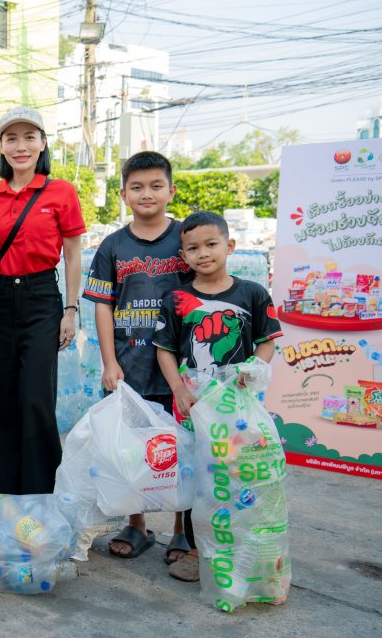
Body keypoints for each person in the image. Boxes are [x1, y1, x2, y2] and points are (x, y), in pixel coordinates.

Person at [153, 210, 282, 582]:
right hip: (195, 408)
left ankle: (245, 548)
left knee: (242, 477)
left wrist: (251, 372)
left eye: (211, 245)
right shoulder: (176, 298)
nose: (202, 254)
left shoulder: (252, 293)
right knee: (200, 482)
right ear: (183, 255)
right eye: (192, 248)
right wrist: (178, 389)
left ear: (230, 246)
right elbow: (164, 349)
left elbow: (266, 342)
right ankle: (198, 552)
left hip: (239, 410)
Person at [0, 106, 85, 497]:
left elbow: (73, 254)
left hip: (41, 299)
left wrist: (70, 310)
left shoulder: (61, 192)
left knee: (35, 398)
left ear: (43, 143)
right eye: (11, 138)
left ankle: (40, 495)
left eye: (29, 137)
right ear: (0, 145)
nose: (21, 146)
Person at [82, 151, 194, 561]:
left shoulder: (187, 237)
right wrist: (110, 363)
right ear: (124, 193)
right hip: (129, 367)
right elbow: (102, 305)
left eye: (156, 185)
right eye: (137, 187)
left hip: (181, 370)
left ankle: (185, 529)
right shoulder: (113, 246)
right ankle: (138, 524)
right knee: (130, 450)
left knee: (183, 450)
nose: (147, 194)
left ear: (171, 190)